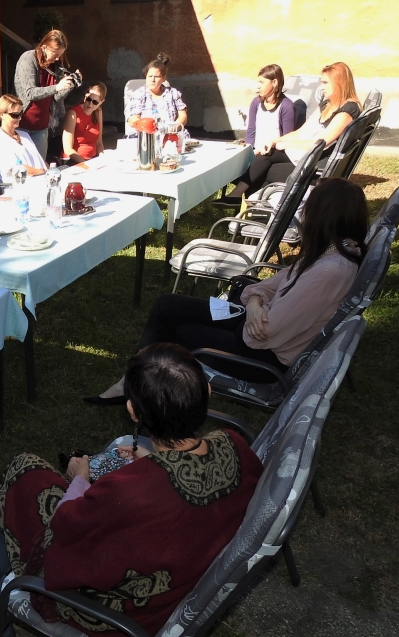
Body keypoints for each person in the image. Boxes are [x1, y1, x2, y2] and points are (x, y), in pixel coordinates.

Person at [0, 343, 263, 637]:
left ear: (132, 411)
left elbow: (66, 527)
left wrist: (80, 479)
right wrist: (154, 462)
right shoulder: (234, 446)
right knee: (11, 498)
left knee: (23, 471)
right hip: (180, 580)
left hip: (119, 615)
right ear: (207, 392)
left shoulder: (130, 491)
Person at [86, 177, 368, 404]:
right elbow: (263, 286)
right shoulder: (327, 254)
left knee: (181, 332)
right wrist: (255, 304)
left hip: (259, 355)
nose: (303, 217)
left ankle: (141, 389)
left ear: (321, 218)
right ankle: (132, 381)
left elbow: (264, 333)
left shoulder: (329, 271)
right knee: (167, 304)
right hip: (250, 322)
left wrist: (255, 308)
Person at [225, 62, 362, 202]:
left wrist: (288, 144)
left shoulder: (347, 111)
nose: (321, 87)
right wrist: (276, 141)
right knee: (267, 155)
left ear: (339, 82)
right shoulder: (328, 104)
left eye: (325, 83)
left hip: (317, 167)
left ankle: (248, 203)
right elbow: (301, 131)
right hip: (308, 157)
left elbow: (321, 143)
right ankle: (241, 198)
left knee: (265, 170)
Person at [218, 64, 298, 206]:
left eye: (261, 82)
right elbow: (251, 131)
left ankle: (236, 195)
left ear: (274, 82)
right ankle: (248, 206)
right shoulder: (256, 103)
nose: (257, 87)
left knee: (265, 155)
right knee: (253, 163)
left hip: (277, 151)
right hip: (258, 151)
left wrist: (264, 149)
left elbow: (287, 138)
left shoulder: (286, 106)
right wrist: (250, 152)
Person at [13, 29, 79, 160]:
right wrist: (57, 87)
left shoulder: (56, 67)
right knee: (23, 166)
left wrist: (70, 85)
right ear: (44, 47)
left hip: (42, 126)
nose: (57, 58)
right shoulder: (28, 58)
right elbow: (30, 93)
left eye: (60, 55)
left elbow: (55, 98)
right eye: (55, 54)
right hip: (21, 124)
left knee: (40, 166)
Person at [124, 54, 187, 137]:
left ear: (163, 78)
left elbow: (183, 115)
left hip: (171, 135)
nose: (152, 80)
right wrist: (147, 128)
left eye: (156, 77)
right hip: (145, 136)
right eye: (150, 76)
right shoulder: (138, 94)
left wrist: (173, 128)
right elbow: (133, 119)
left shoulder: (173, 93)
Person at [0, 94, 47, 183]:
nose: (19, 118)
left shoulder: (24, 135)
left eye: (20, 114)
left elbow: (37, 159)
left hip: (40, 180)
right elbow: (16, 169)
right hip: (19, 185)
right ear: (2, 115)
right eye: (15, 115)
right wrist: (40, 172)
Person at [61, 82, 107, 164]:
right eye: (88, 99)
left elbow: (99, 142)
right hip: (73, 160)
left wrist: (102, 157)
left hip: (92, 159)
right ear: (85, 95)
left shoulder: (98, 112)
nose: (90, 104)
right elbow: (68, 149)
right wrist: (86, 164)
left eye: (95, 102)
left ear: (101, 102)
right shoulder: (73, 113)